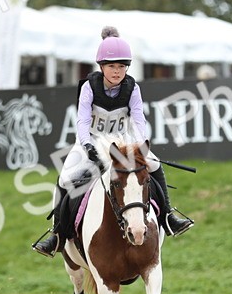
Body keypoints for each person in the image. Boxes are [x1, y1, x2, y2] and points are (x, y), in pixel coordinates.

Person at [31, 26, 193, 257]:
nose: (117, 72)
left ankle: (168, 216)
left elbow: (139, 119)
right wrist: (87, 146)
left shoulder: (132, 88)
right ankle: (57, 235)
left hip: (122, 143)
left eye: (121, 66)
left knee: (154, 165)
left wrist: (141, 145)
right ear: (101, 67)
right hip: (91, 143)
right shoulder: (89, 87)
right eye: (111, 66)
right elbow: (82, 120)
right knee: (65, 178)